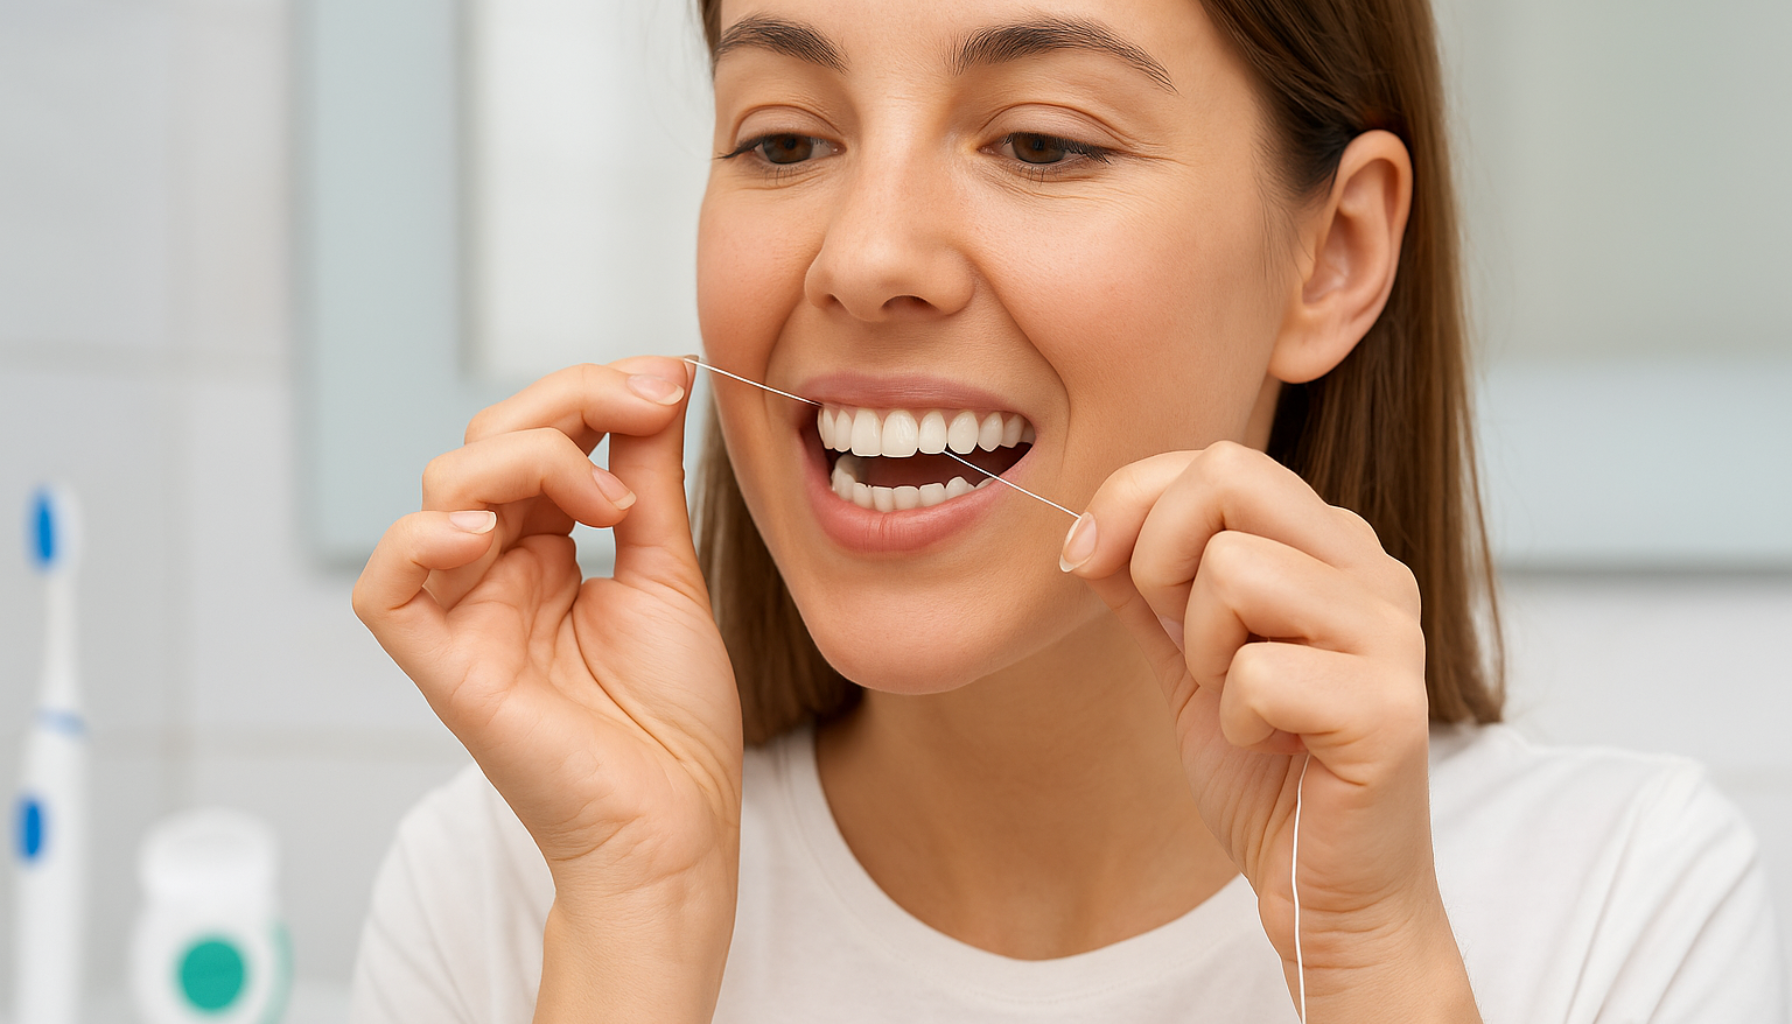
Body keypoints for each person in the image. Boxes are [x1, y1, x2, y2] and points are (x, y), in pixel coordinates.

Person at [347, 0, 1787, 1020]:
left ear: (1333, 255)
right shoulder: (511, 890)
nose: (866, 256)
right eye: (785, 140)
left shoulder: (1623, 908)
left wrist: (1375, 969)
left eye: (1041, 141)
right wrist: (639, 928)